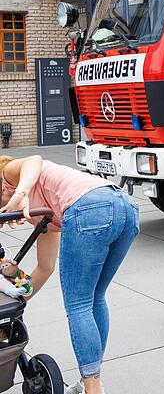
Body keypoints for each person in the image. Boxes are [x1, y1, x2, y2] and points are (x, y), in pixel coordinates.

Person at [0, 156, 139, 394]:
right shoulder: (45, 214)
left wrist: (18, 195)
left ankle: (93, 389)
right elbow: (45, 268)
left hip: (89, 208)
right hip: (124, 207)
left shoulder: (9, 174)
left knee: (79, 305)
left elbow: (34, 159)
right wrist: (15, 301)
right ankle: (92, 383)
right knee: (94, 298)